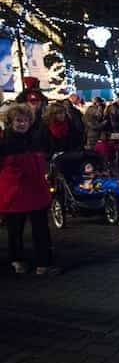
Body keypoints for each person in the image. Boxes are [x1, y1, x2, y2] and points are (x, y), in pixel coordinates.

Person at [0, 104, 58, 275]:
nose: (22, 124)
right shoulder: (4, 142)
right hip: (15, 192)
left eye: (25, 120)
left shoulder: (35, 138)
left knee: (41, 229)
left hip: (35, 190)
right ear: (11, 122)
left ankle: (43, 263)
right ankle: (17, 260)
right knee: (15, 230)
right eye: (18, 120)